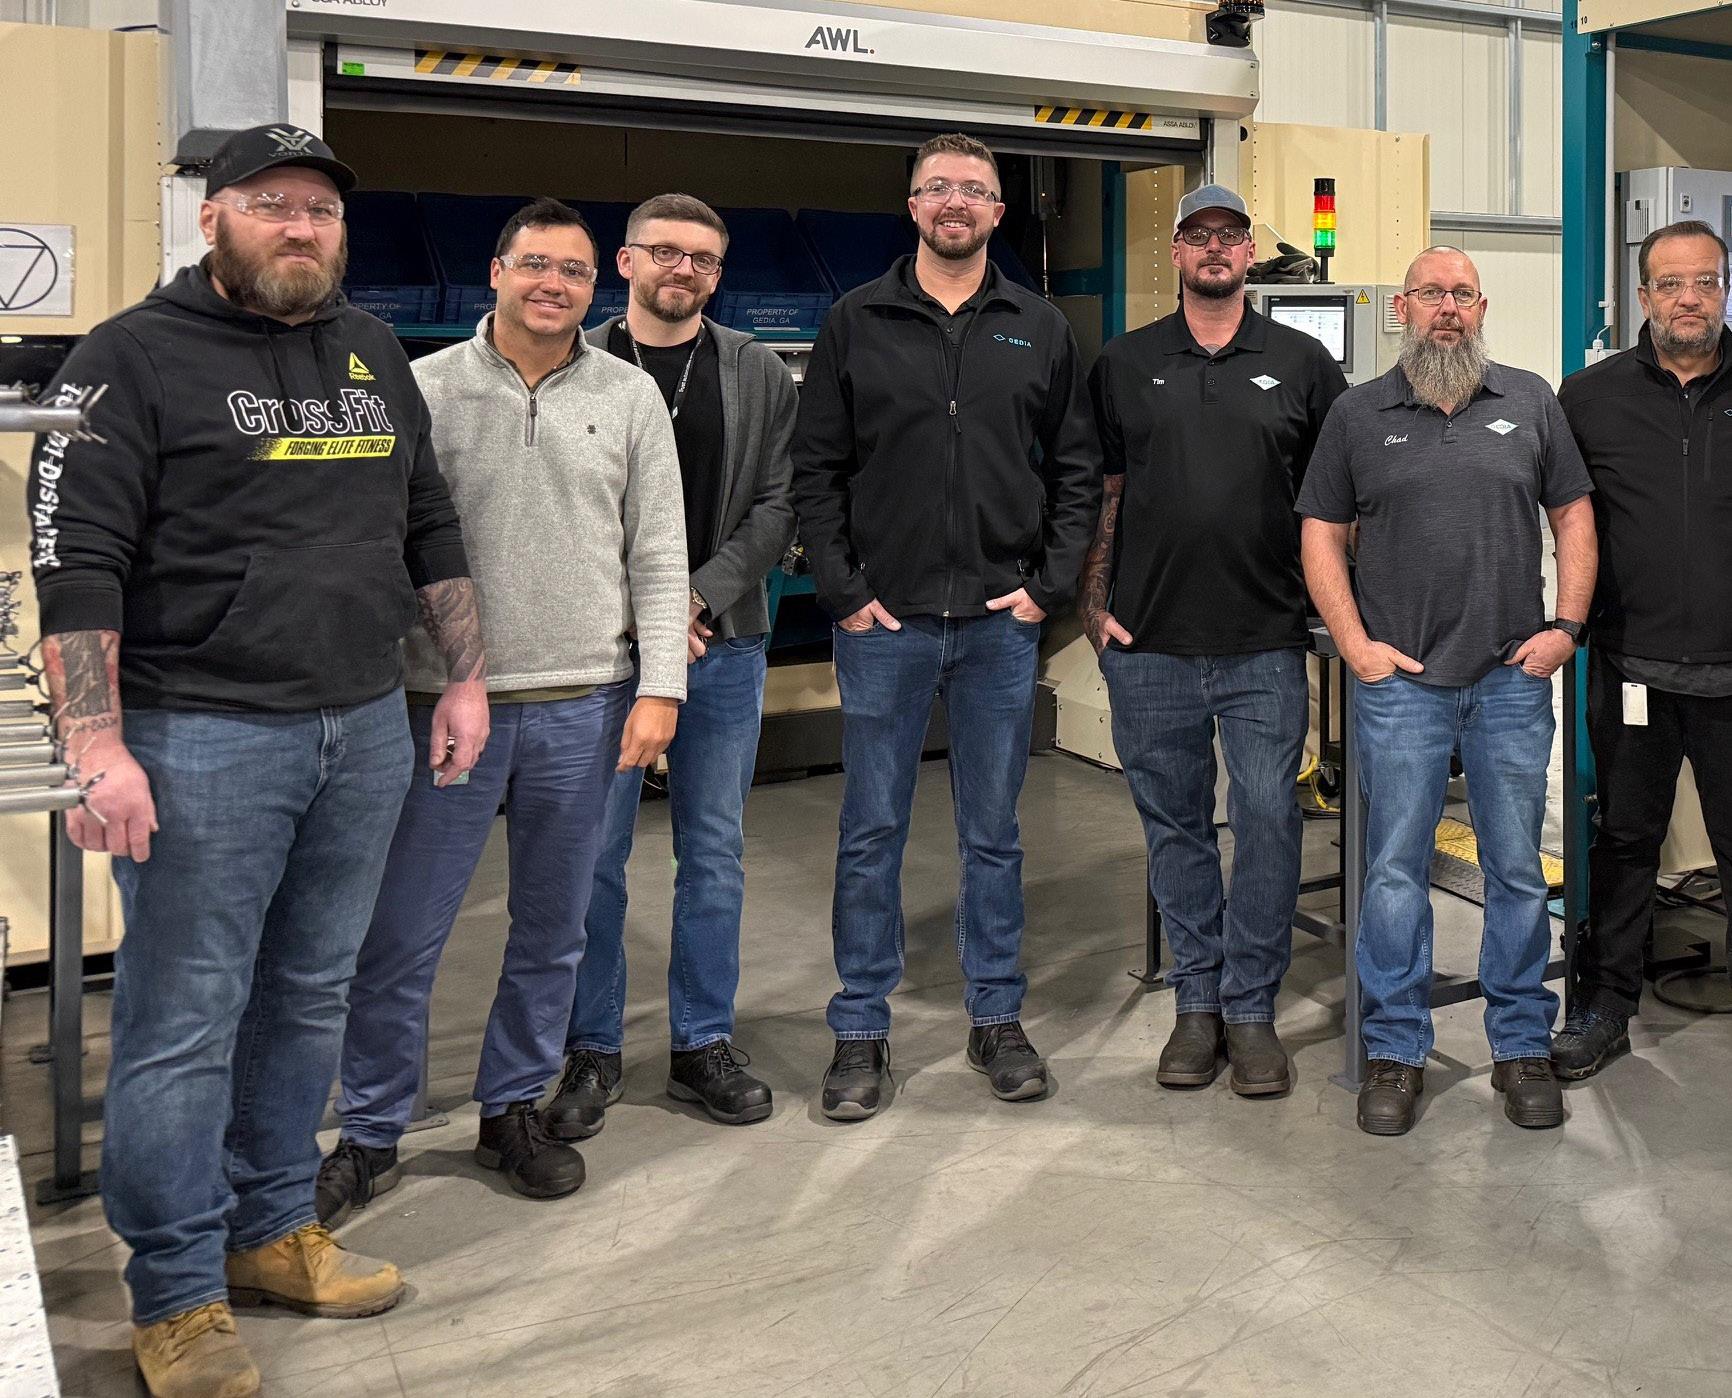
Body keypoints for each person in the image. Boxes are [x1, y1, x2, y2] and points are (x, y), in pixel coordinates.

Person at [27, 124, 486, 1397]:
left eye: (320, 209)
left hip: (361, 725)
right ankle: (177, 1291)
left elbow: (426, 516)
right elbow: (76, 562)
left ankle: (272, 1226)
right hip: (201, 735)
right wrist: (97, 741)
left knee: (309, 995)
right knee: (185, 1020)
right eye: (272, 203)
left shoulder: (371, 349)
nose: (300, 226)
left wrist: (464, 674)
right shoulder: (127, 357)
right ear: (213, 216)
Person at [320, 198, 687, 1220]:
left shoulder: (628, 397)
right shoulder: (423, 387)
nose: (552, 284)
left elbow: (659, 552)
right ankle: (371, 1128)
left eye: (572, 271)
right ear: (495, 272)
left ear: (595, 286)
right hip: (441, 706)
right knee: (403, 932)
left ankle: (512, 1107)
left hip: (584, 702)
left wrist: (660, 686)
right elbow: (383, 539)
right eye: (534, 264)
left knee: (553, 928)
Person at [792, 132, 1101, 1120]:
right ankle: (859, 1027)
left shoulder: (1038, 326)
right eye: (938, 188)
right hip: (884, 624)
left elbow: (1077, 470)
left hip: (999, 627)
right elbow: (815, 469)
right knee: (870, 829)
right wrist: (843, 589)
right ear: (914, 206)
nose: (955, 202)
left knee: (992, 833)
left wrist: (1047, 587)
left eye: (974, 188)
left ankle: (996, 1015)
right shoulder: (856, 319)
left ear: (998, 212)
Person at [1298, 246, 1597, 1137]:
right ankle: (1396, 1049)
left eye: (1462, 294)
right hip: (1403, 686)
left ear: (1482, 307)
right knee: (1394, 873)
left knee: (1515, 869)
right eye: (1431, 293)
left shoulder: (1531, 401)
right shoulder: (1358, 414)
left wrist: (1566, 627)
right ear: (1403, 308)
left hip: (1511, 679)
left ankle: (1520, 1045)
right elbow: (1321, 533)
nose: (1447, 309)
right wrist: (1357, 646)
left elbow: (1573, 515)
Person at [1082, 184, 1348, 1097]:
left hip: (1263, 642)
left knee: (1269, 819)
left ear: (1247, 253)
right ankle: (1197, 1001)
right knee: (1177, 827)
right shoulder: (1125, 362)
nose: (1214, 249)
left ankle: (1251, 1008)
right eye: (1197, 236)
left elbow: (1339, 497)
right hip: (1149, 643)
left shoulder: (1302, 361)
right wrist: (1093, 606)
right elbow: (1099, 489)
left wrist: (1340, 610)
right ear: (1176, 252)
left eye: (1229, 235)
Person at [547, 193, 796, 1135]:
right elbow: (556, 512)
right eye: (664, 252)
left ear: (718, 275)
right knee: (595, 856)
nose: (682, 269)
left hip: (721, 642)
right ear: (626, 262)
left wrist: (689, 600)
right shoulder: (576, 361)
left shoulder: (755, 370)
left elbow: (777, 505)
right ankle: (592, 1047)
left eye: (702, 258)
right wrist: (640, 617)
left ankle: (702, 1042)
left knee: (714, 853)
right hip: (602, 654)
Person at [1554, 219, 1732, 1079]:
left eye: (1705, 281)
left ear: (1724, 289)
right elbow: (1555, 515)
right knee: (1625, 843)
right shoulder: (1588, 397)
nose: (1688, 298)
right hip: (1632, 671)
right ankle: (1607, 1006)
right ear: (1643, 295)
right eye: (1671, 283)